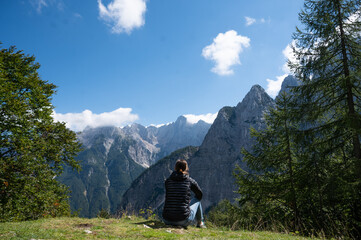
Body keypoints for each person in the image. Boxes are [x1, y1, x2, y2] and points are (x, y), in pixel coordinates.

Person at [162, 159, 206, 228]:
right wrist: (187, 201)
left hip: (166, 220)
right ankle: (200, 223)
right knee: (197, 200)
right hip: (183, 220)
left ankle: (200, 223)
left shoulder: (168, 181)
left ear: (175, 167)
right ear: (186, 168)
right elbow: (199, 195)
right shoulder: (189, 181)